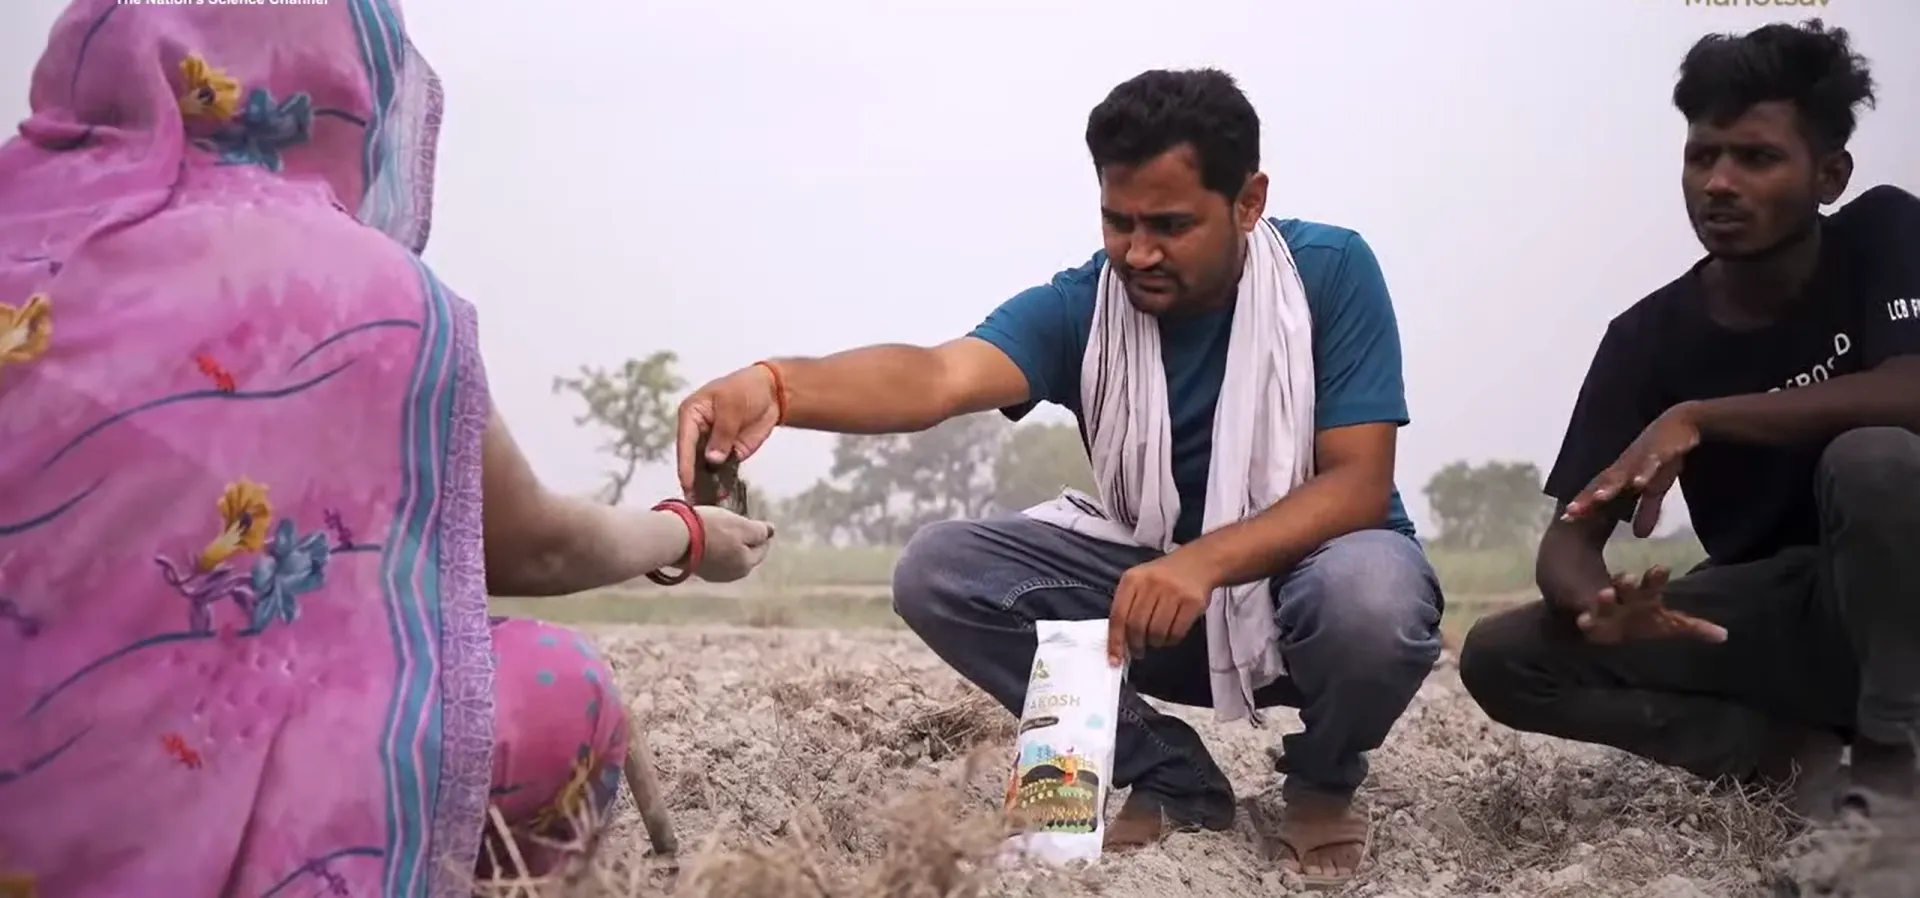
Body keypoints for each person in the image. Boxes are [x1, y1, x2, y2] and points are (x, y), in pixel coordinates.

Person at [0, 2, 773, 895]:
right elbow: (536, 545)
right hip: (155, 816)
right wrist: (689, 534)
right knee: (562, 683)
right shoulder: (372, 300)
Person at [677, 68, 1439, 886]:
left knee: (1372, 601)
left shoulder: (1329, 273)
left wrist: (1202, 562)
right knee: (939, 569)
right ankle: (1171, 771)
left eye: (1171, 225)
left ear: (1247, 203)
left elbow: (1358, 484)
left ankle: (1323, 781)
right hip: (1159, 601)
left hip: (1308, 594)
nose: (1137, 251)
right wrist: (776, 386)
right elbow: (936, 377)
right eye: (1119, 220)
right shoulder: (1087, 307)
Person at [1459, 19, 1920, 817]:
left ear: (1829, 174)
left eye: (1757, 157)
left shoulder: (1883, 232)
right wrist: (1601, 609)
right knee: (1502, 657)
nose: (1719, 183)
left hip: (1904, 590)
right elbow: (1571, 538)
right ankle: (1792, 765)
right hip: (1780, 613)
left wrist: (1705, 416)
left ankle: (1894, 770)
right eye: (1703, 155)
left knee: (1872, 459)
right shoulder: (1646, 339)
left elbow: (1910, 387)